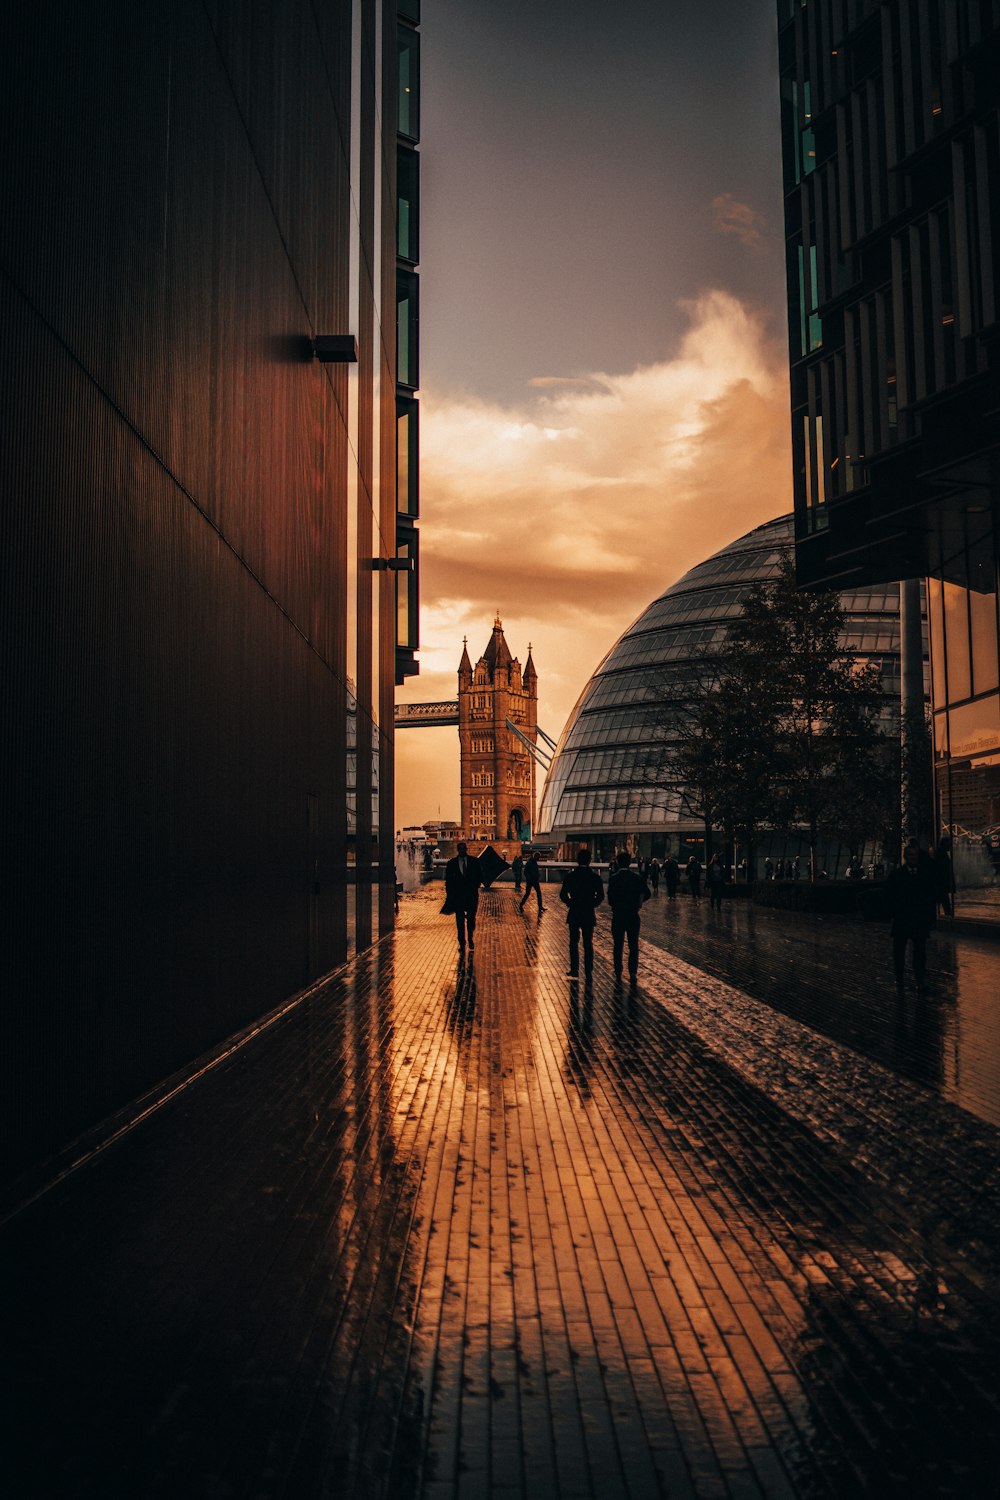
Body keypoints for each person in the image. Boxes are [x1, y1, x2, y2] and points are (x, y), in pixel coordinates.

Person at [886, 840, 936, 992]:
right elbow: (889, 896)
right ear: (905, 857)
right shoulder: (896, 875)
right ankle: (899, 979)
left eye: (914, 855)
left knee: (920, 952)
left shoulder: (925, 875)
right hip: (902, 918)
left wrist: (930, 919)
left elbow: (930, 898)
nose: (912, 857)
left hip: (919, 919)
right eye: (910, 855)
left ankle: (920, 980)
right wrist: (895, 913)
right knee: (899, 952)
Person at [559, 848, 605, 981]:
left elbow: (562, 894)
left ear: (577, 860)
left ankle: (574, 969)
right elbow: (600, 896)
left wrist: (570, 903)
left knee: (573, 942)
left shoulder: (570, 876)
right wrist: (593, 904)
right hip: (588, 912)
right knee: (588, 943)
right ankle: (588, 971)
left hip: (574, 912)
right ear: (589, 861)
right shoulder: (595, 877)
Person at [607, 851, 650, 983]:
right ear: (630, 863)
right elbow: (647, 893)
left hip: (618, 915)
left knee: (618, 944)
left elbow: (610, 899)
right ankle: (632, 972)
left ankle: (618, 971)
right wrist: (639, 902)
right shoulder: (637, 878)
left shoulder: (614, 879)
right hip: (633, 914)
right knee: (633, 945)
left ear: (618, 863)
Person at [442, 841, 483, 954]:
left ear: (466, 849)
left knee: (471, 919)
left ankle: (470, 938)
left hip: (471, 896)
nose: (462, 851)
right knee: (459, 921)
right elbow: (448, 881)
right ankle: (462, 942)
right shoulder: (452, 863)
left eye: (464, 849)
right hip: (458, 897)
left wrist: (475, 885)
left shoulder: (474, 862)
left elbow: (479, 876)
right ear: (457, 850)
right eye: (460, 849)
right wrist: (449, 895)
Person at [933, 836, 955, 917]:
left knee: (942, 901)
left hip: (941, 883)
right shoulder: (941, 854)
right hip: (942, 884)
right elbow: (943, 870)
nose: (950, 846)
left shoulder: (940, 853)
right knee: (945, 902)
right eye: (949, 844)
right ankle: (948, 917)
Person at [519, 848, 544, 914]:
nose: (539, 859)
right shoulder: (530, 862)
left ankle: (522, 905)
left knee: (530, 893)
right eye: (538, 857)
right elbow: (525, 872)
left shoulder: (531, 862)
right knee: (534, 893)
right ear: (535, 856)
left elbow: (527, 872)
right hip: (532, 880)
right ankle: (539, 907)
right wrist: (530, 878)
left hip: (533, 880)